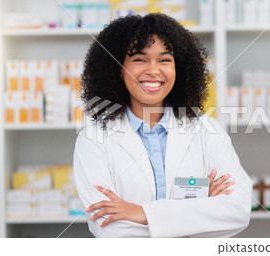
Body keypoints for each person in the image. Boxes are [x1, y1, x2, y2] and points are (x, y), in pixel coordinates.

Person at [73, 13, 252, 238]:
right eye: (140, 59)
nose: (154, 70)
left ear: (179, 67)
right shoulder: (94, 139)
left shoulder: (208, 131)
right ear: (118, 68)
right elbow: (111, 228)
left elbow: (238, 210)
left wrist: (142, 213)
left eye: (165, 60)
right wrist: (201, 213)